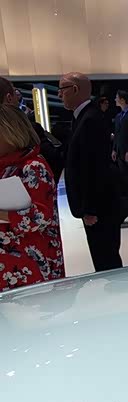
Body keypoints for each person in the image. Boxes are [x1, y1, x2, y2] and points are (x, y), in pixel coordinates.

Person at [59, 72, 125, 272]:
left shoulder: (91, 119)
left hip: (100, 207)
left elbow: (95, 168)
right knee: (103, 256)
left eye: (62, 90)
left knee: (106, 258)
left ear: (75, 89)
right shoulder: (84, 117)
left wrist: (90, 208)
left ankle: (116, 289)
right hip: (98, 205)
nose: (60, 95)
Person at [0, 104, 64, 291]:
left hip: (32, 264)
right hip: (11, 264)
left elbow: (39, 217)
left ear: (11, 133)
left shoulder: (33, 167)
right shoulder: (6, 167)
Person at [0, 77, 64, 182]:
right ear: (9, 98)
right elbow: (54, 160)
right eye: (15, 93)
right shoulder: (29, 129)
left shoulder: (32, 167)